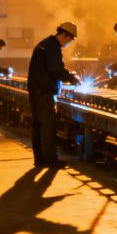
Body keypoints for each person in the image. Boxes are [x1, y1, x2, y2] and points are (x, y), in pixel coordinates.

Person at [27, 22, 79, 169]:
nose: (69, 43)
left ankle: (40, 158)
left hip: (36, 89)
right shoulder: (53, 47)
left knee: (38, 125)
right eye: (70, 39)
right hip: (44, 91)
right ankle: (49, 159)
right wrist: (71, 77)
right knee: (48, 125)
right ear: (64, 35)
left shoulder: (45, 43)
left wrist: (67, 75)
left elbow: (54, 67)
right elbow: (55, 69)